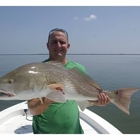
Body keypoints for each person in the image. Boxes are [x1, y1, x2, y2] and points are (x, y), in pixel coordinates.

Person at [27, 28, 111, 134]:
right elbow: (33, 110)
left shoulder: (78, 69)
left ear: (68, 46)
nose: (58, 46)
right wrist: (51, 97)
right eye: (54, 42)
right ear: (47, 45)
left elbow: (83, 100)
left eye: (62, 42)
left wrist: (97, 101)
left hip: (74, 132)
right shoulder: (38, 71)